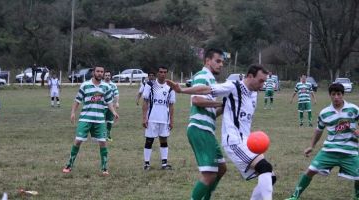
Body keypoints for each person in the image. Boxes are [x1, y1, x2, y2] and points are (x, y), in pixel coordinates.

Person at [167, 64, 276, 200]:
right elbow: (207, 89)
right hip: (234, 141)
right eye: (261, 81)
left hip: (247, 142)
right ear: (250, 76)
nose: (263, 85)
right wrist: (182, 90)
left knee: (270, 177)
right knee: (265, 168)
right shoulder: (233, 86)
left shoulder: (253, 94)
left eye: (265, 81)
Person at [285, 83, 359, 200]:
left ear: (343, 95)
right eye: (333, 94)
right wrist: (311, 146)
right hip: (329, 150)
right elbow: (318, 130)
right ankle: (295, 196)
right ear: (330, 95)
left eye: (339, 94)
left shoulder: (354, 109)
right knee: (310, 170)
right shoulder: (324, 113)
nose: (336, 97)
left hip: (350, 151)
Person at [62, 66, 119, 176]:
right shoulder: (85, 85)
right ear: (94, 72)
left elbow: (109, 102)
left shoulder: (106, 87)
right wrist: (73, 112)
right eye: (98, 71)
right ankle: (69, 165)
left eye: (101, 72)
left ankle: (104, 168)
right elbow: (77, 100)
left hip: (100, 120)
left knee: (103, 142)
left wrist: (113, 112)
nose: (99, 73)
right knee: (78, 141)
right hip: (85, 118)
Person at [142, 66, 175, 171]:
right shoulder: (150, 85)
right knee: (149, 140)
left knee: (164, 140)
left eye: (165, 72)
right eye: (161, 72)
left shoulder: (170, 87)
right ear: (157, 73)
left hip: (164, 119)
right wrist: (144, 118)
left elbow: (171, 105)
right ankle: (146, 164)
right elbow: (145, 102)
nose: (163, 74)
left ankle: (164, 164)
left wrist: (171, 120)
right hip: (152, 118)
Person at [103, 71, 119, 141]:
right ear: (104, 76)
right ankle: (102, 136)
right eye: (106, 75)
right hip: (102, 106)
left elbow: (116, 94)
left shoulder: (113, 85)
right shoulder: (101, 84)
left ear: (110, 76)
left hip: (111, 106)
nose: (107, 77)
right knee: (101, 121)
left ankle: (108, 135)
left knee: (110, 121)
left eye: (108, 75)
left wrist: (117, 102)